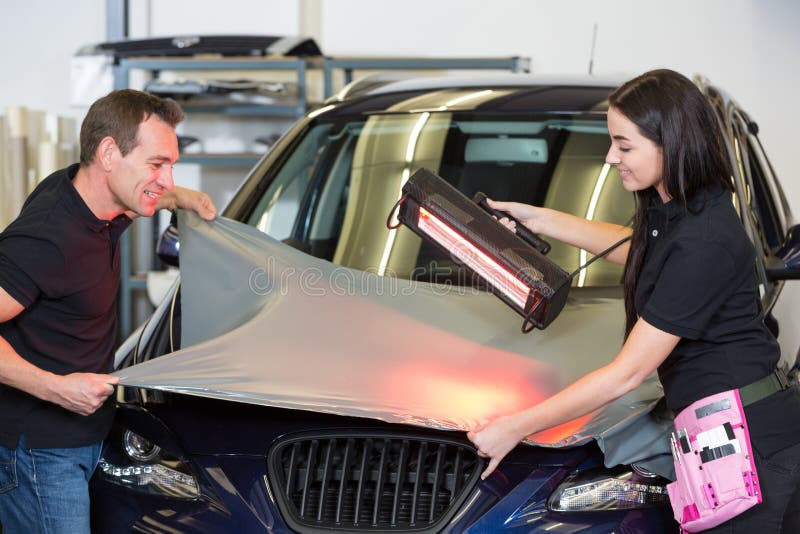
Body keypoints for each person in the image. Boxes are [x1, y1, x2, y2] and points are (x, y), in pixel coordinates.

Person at [467, 69, 800, 531]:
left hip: (750, 446)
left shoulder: (704, 239)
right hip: (719, 432)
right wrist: (537, 220)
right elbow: (639, 249)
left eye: (625, 146)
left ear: (672, 143)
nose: (610, 158)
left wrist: (516, 426)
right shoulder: (680, 205)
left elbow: (628, 372)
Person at [0, 89, 217, 532]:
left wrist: (184, 199)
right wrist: (54, 388)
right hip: (41, 456)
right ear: (108, 153)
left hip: (87, 437)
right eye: (158, 164)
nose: (167, 180)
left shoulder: (99, 202)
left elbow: (144, 198)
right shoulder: (46, 239)